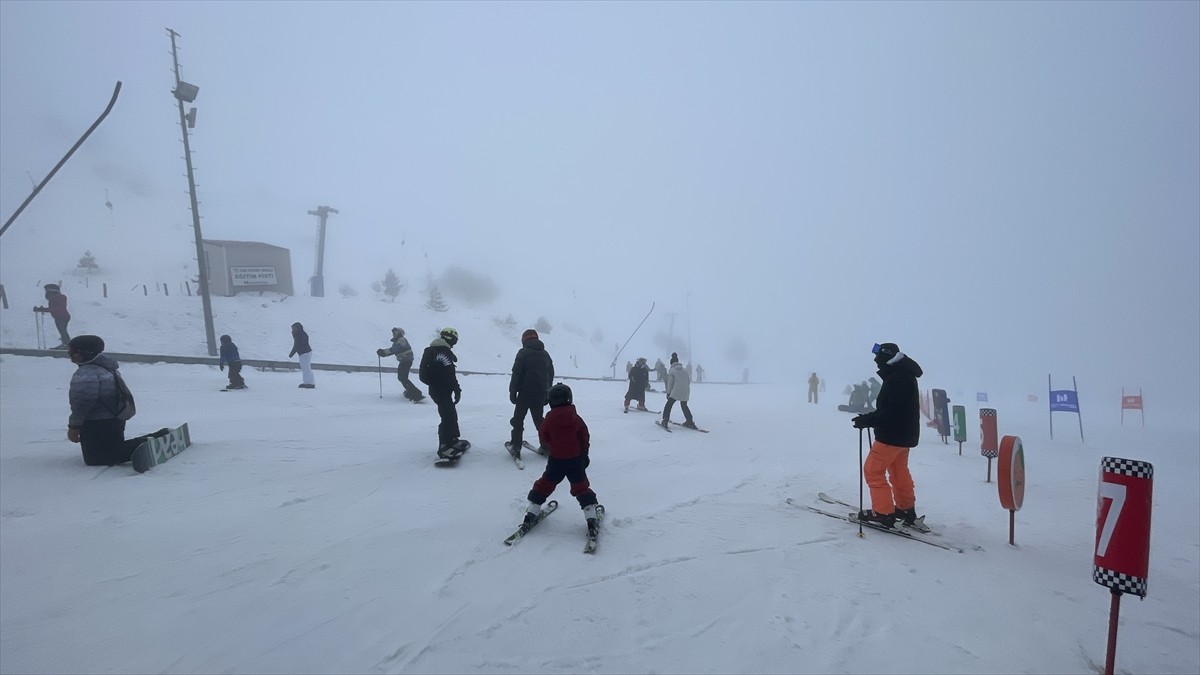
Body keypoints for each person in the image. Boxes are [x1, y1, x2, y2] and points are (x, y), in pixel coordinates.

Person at [851, 342, 924, 528]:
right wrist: (870, 418)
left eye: (878, 358)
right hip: (904, 435)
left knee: (873, 470)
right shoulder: (903, 374)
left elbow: (890, 412)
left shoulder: (898, 378)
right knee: (899, 471)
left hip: (891, 436)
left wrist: (868, 420)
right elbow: (894, 410)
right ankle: (905, 509)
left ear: (886, 357)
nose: (876, 362)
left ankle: (883, 513)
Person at [65, 335, 168, 466]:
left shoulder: (87, 373)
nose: (70, 355)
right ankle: (157, 437)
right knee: (114, 448)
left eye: (72, 352)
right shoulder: (106, 368)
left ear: (85, 353)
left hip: (96, 423)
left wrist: (74, 426)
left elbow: (82, 403)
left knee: (97, 458)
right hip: (115, 419)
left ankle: (146, 445)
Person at [520, 383, 602, 538]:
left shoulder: (549, 420)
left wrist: (552, 446)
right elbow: (584, 437)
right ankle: (591, 518)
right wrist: (584, 453)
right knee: (581, 488)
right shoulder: (576, 419)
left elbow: (543, 437)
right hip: (575, 461)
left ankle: (531, 513)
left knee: (545, 484)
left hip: (556, 461)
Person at [507, 329, 554, 459]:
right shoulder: (545, 354)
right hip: (540, 392)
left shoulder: (523, 353)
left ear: (524, 340)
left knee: (518, 419)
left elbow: (516, 374)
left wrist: (512, 392)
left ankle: (516, 446)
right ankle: (547, 445)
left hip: (525, 392)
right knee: (539, 419)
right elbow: (550, 374)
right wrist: (547, 393)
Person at [419, 327, 463, 458]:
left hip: (438, 390)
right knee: (447, 416)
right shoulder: (442, 352)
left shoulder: (433, 351)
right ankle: (444, 446)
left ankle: (453, 440)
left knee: (451, 414)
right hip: (441, 390)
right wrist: (456, 388)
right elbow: (449, 374)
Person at [376, 327, 424, 402]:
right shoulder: (397, 341)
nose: (393, 335)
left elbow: (395, 349)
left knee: (403, 378)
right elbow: (393, 351)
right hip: (404, 361)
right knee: (402, 378)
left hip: (406, 361)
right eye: (393, 333)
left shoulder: (401, 340)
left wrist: (383, 352)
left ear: (399, 333)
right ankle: (411, 392)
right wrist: (383, 353)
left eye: (395, 333)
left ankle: (416, 394)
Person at [661, 352, 696, 429]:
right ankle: (689, 421)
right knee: (684, 405)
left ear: (671, 363)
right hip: (686, 390)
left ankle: (665, 420)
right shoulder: (684, 370)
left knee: (669, 404)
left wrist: (668, 393)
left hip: (676, 390)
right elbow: (688, 381)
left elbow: (670, 383)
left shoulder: (672, 370)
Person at [34, 283, 71, 349]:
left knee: (62, 330)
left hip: (61, 316)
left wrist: (43, 309)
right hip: (60, 316)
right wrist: (42, 309)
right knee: (62, 331)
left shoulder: (58, 297)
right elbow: (53, 308)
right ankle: (66, 344)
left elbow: (57, 308)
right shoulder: (56, 298)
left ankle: (67, 344)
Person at [289, 322, 314, 388]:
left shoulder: (301, 335)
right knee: (304, 368)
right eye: (292, 328)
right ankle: (306, 382)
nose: (293, 330)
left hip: (306, 353)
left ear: (298, 328)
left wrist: (291, 354)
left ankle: (311, 383)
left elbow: (296, 345)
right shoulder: (298, 334)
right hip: (302, 353)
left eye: (294, 328)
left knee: (306, 368)